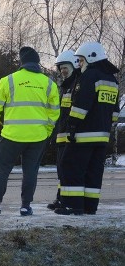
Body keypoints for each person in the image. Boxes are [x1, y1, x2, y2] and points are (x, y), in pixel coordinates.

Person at [0, 46, 59, 216]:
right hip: (37, 136)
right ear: (38, 63)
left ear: (22, 62)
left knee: (2, 171)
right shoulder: (49, 83)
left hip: (11, 136)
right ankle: (25, 206)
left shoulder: (9, 80)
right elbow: (54, 112)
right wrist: (47, 131)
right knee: (31, 172)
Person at [55, 41, 120, 215]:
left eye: (82, 61)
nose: (80, 65)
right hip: (102, 136)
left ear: (91, 57)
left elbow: (81, 105)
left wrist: (72, 125)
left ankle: (72, 205)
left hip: (83, 135)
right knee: (93, 172)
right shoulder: (112, 80)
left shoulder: (89, 76)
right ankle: (90, 207)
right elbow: (115, 112)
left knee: (70, 167)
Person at [46, 49, 80, 210]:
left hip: (71, 136)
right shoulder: (65, 86)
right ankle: (61, 199)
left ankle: (67, 202)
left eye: (65, 67)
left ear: (74, 65)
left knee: (68, 169)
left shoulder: (76, 85)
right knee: (61, 170)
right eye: (60, 68)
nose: (62, 71)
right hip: (62, 134)